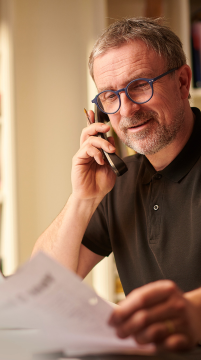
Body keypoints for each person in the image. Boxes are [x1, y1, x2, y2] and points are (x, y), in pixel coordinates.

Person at [32, 17, 201, 351]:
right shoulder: (116, 181)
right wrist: (82, 199)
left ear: (182, 82)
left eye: (140, 85)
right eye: (110, 96)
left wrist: (194, 312)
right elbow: (41, 285)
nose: (126, 110)